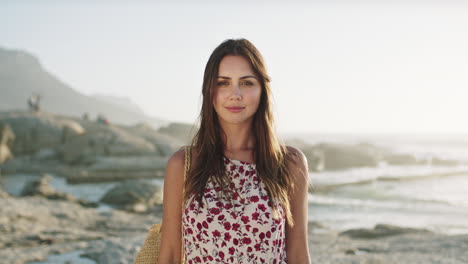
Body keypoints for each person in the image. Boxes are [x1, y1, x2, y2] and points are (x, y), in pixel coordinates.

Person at [159, 38, 310, 263]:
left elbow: (298, 253)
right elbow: (170, 253)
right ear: (209, 90)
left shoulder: (289, 163)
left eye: (247, 83)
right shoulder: (184, 164)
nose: (235, 94)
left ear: (262, 91)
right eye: (223, 83)